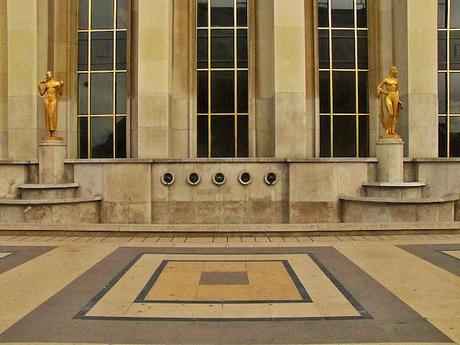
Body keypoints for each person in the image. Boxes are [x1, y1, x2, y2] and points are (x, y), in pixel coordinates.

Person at [377, 66, 403, 139]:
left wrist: (398, 100)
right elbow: (378, 87)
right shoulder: (386, 80)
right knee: (390, 113)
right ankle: (387, 129)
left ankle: (392, 131)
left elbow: (397, 90)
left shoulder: (396, 80)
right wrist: (385, 92)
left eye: (396, 70)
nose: (396, 71)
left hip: (395, 96)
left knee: (394, 114)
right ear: (391, 71)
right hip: (388, 96)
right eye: (395, 70)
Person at [37, 71, 64, 140]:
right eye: (46, 75)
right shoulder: (47, 84)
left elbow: (61, 93)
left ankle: (53, 131)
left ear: (52, 75)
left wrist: (61, 86)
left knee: (52, 115)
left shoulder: (56, 83)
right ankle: (50, 132)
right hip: (47, 100)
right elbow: (42, 93)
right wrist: (39, 86)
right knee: (48, 116)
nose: (47, 76)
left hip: (53, 99)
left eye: (48, 75)